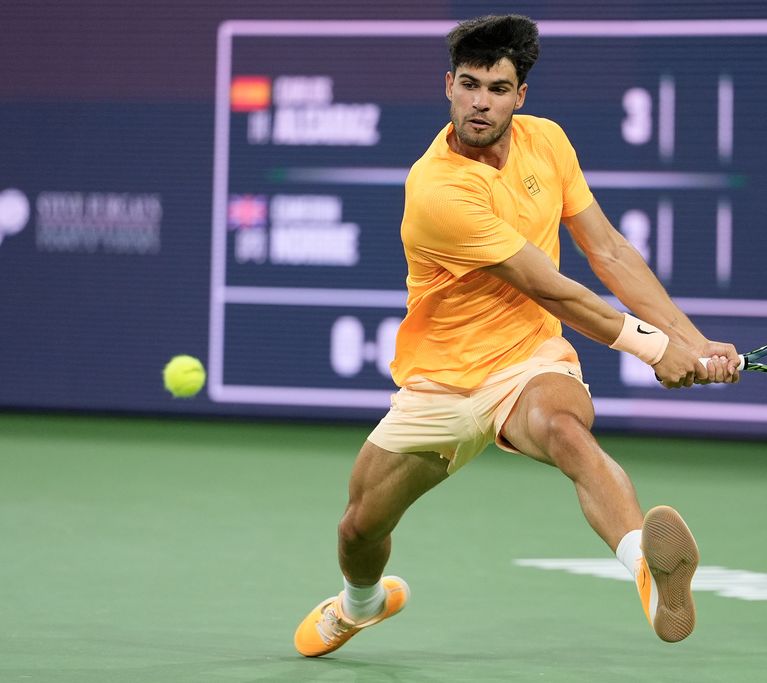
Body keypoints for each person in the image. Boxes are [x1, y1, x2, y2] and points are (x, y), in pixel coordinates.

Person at [294, 14, 739, 657]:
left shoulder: (548, 143)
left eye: (497, 88)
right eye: (469, 84)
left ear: (520, 95)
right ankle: (361, 602)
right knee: (360, 525)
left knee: (565, 430)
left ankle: (646, 565)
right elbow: (553, 287)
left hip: (527, 358)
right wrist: (651, 347)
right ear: (448, 86)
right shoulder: (439, 190)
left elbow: (609, 252)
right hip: (442, 379)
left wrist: (690, 343)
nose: (480, 101)